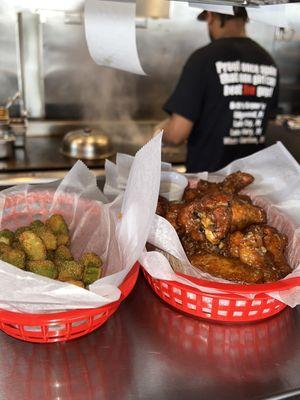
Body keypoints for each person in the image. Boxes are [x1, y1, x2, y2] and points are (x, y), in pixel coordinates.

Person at [158, 8, 279, 172]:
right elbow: (268, 122)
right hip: (252, 180)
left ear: (210, 16)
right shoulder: (268, 61)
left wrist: (159, 132)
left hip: (209, 185)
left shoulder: (203, 59)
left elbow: (176, 135)